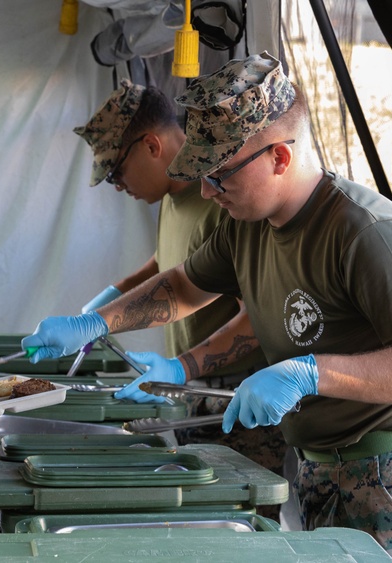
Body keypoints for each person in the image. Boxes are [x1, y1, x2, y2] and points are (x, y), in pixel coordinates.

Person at [22, 52, 392, 561]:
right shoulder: (245, 224)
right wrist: (95, 321)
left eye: (219, 175)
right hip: (323, 472)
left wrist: (311, 374)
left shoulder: (367, 232)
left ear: (279, 158)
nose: (206, 191)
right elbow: (182, 287)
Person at [74, 80, 288, 520]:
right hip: (195, 394)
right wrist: (109, 303)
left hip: (237, 399)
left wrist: (182, 367)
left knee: (237, 528)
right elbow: (169, 264)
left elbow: (258, 315)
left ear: (151, 145)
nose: (117, 186)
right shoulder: (173, 197)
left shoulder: (223, 203)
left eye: (116, 172)